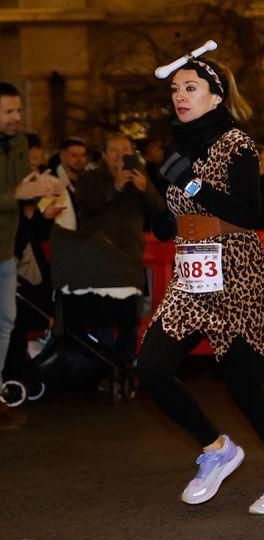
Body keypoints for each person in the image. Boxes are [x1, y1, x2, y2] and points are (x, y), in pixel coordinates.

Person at [136, 46, 264, 514]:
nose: (180, 97)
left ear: (216, 97)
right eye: (175, 89)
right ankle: (216, 450)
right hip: (192, 273)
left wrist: (191, 183)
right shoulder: (177, 149)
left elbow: (247, 214)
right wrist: (165, 220)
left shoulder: (238, 144)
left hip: (237, 275)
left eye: (190, 88)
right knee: (150, 368)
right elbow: (182, 216)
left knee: (244, 390)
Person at [51, 134, 162, 385]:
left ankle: (123, 368)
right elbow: (86, 205)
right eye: (115, 150)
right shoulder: (90, 179)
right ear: (104, 155)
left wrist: (146, 190)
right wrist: (115, 188)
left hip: (130, 257)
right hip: (100, 259)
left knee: (130, 319)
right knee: (101, 318)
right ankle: (108, 366)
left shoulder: (140, 176)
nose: (121, 155)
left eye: (125, 150)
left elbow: (159, 209)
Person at [0, 85, 64, 427]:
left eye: (17, 110)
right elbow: (14, 193)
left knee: (6, 324)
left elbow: (23, 190)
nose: (16, 117)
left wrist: (40, 188)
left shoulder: (20, 143)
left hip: (8, 251)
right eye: (8, 111)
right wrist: (19, 195)